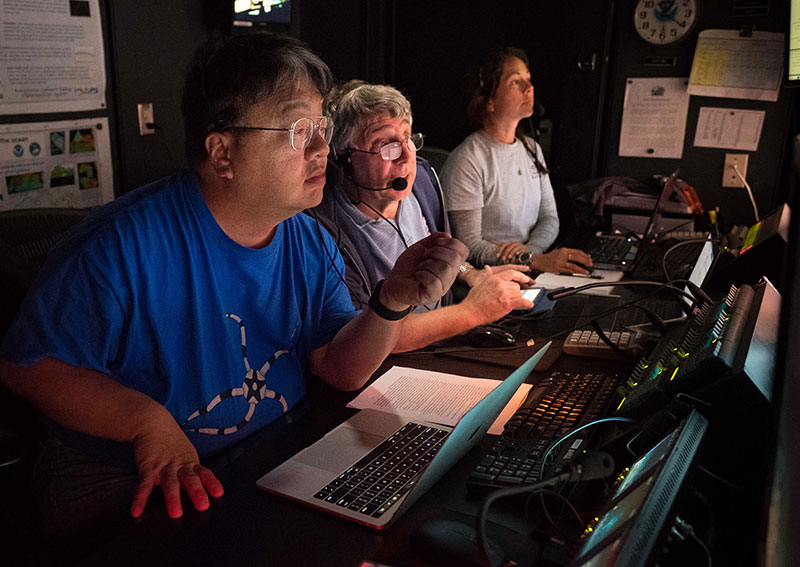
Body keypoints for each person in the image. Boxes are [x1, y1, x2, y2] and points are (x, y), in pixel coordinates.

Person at [0, 33, 465, 534]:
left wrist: (390, 301)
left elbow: (340, 366)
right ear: (222, 152)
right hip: (127, 475)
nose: (321, 148)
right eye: (297, 129)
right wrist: (145, 421)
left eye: (322, 126)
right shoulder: (117, 244)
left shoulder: (309, 240)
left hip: (263, 453)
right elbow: (29, 366)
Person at [310, 80, 534, 352]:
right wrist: (473, 312)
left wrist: (471, 274)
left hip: (447, 342)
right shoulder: (322, 227)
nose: (407, 157)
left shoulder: (423, 181)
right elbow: (365, 337)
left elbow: (432, 249)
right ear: (345, 159)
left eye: (408, 138)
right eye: (385, 145)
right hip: (392, 364)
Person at [440, 46, 592, 275]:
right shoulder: (467, 160)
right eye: (515, 81)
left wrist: (530, 254)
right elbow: (467, 245)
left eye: (528, 80)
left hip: (529, 266)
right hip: (490, 279)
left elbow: (549, 218)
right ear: (489, 101)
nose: (529, 88)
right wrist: (530, 259)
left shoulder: (532, 149)